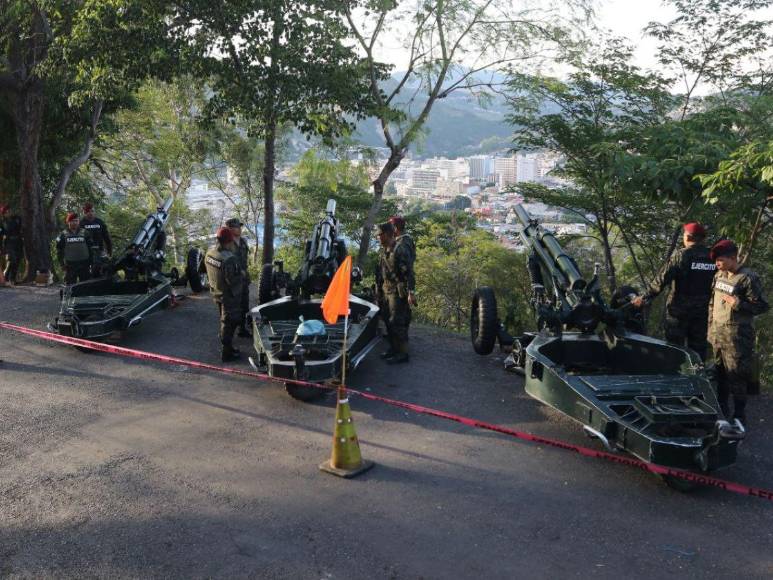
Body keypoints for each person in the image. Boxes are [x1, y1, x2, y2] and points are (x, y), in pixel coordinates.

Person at [631, 222, 716, 359]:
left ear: (687, 237)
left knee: (674, 350)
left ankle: (674, 377)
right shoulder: (712, 258)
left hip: (678, 313)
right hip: (702, 313)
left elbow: (662, 280)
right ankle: (698, 378)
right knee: (698, 350)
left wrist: (645, 297)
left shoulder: (682, 255)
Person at [707, 239, 769, 426]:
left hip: (737, 336)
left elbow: (763, 306)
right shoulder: (718, 275)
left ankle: (739, 414)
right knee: (719, 373)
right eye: (716, 260)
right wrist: (709, 328)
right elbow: (712, 303)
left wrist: (739, 304)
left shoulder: (747, 278)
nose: (717, 263)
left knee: (737, 375)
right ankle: (722, 408)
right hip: (717, 332)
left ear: (733, 258)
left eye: (721, 260)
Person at [376, 221, 417, 364]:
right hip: (386, 290)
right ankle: (393, 348)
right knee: (388, 320)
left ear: (387, 234)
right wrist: (378, 291)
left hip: (397, 291)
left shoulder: (400, 250)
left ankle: (402, 353)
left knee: (397, 322)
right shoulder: (386, 249)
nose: (378, 238)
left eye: (380, 235)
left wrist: (411, 292)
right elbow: (381, 272)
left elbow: (409, 273)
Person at [205, 226, 245, 362]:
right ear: (229, 241)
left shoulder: (209, 253)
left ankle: (228, 347)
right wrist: (242, 275)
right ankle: (226, 352)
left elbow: (203, 270)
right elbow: (232, 281)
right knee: (229, 324)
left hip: (216, 293)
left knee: (224, 321)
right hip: (229, 297)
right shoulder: (229, 258)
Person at [226, 217, 252, 337]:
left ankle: (242, 328)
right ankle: (229, 333)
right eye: (237, 227)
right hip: (233, 280)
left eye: (239, 226)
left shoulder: (243, 241)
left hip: (243, 278)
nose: (239, 229)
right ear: (230, 229)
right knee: (233, 307)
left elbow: (245, 259)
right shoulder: (226, 244)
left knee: (244, 304)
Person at [56, 212, 93, 284]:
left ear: (79, 221)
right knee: (70, 286)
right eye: (72, 221)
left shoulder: (85, 233)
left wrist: (91, 262)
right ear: (68, 222)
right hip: (70, 265)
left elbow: (91, 248)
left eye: (76, 220)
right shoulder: (63, 235)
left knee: (86, 285)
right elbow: (59, 251)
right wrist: (62, 265)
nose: (74, 222)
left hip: (84, 264)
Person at [80, 202, 113, 276]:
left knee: (101, 269)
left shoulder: (99, 222)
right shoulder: (81, 224)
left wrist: (109, 251)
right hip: (86, 252)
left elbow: (106, 237)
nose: (90, 213)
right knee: (86, 273)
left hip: (100, 250)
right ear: (84, 212)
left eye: (92, 211)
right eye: (88, 211)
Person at [1, 204, 24, 286]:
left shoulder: (17, 218)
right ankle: (5, 278)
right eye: (7, 211)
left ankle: (12, 280)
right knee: (11, 260)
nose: (9, 212)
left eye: (9, 210)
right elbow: (4, 232)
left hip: (18, 242)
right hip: (9, 243)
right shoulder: (4, 221)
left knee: (17, 260)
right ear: (4, 213)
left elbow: (21, 228)